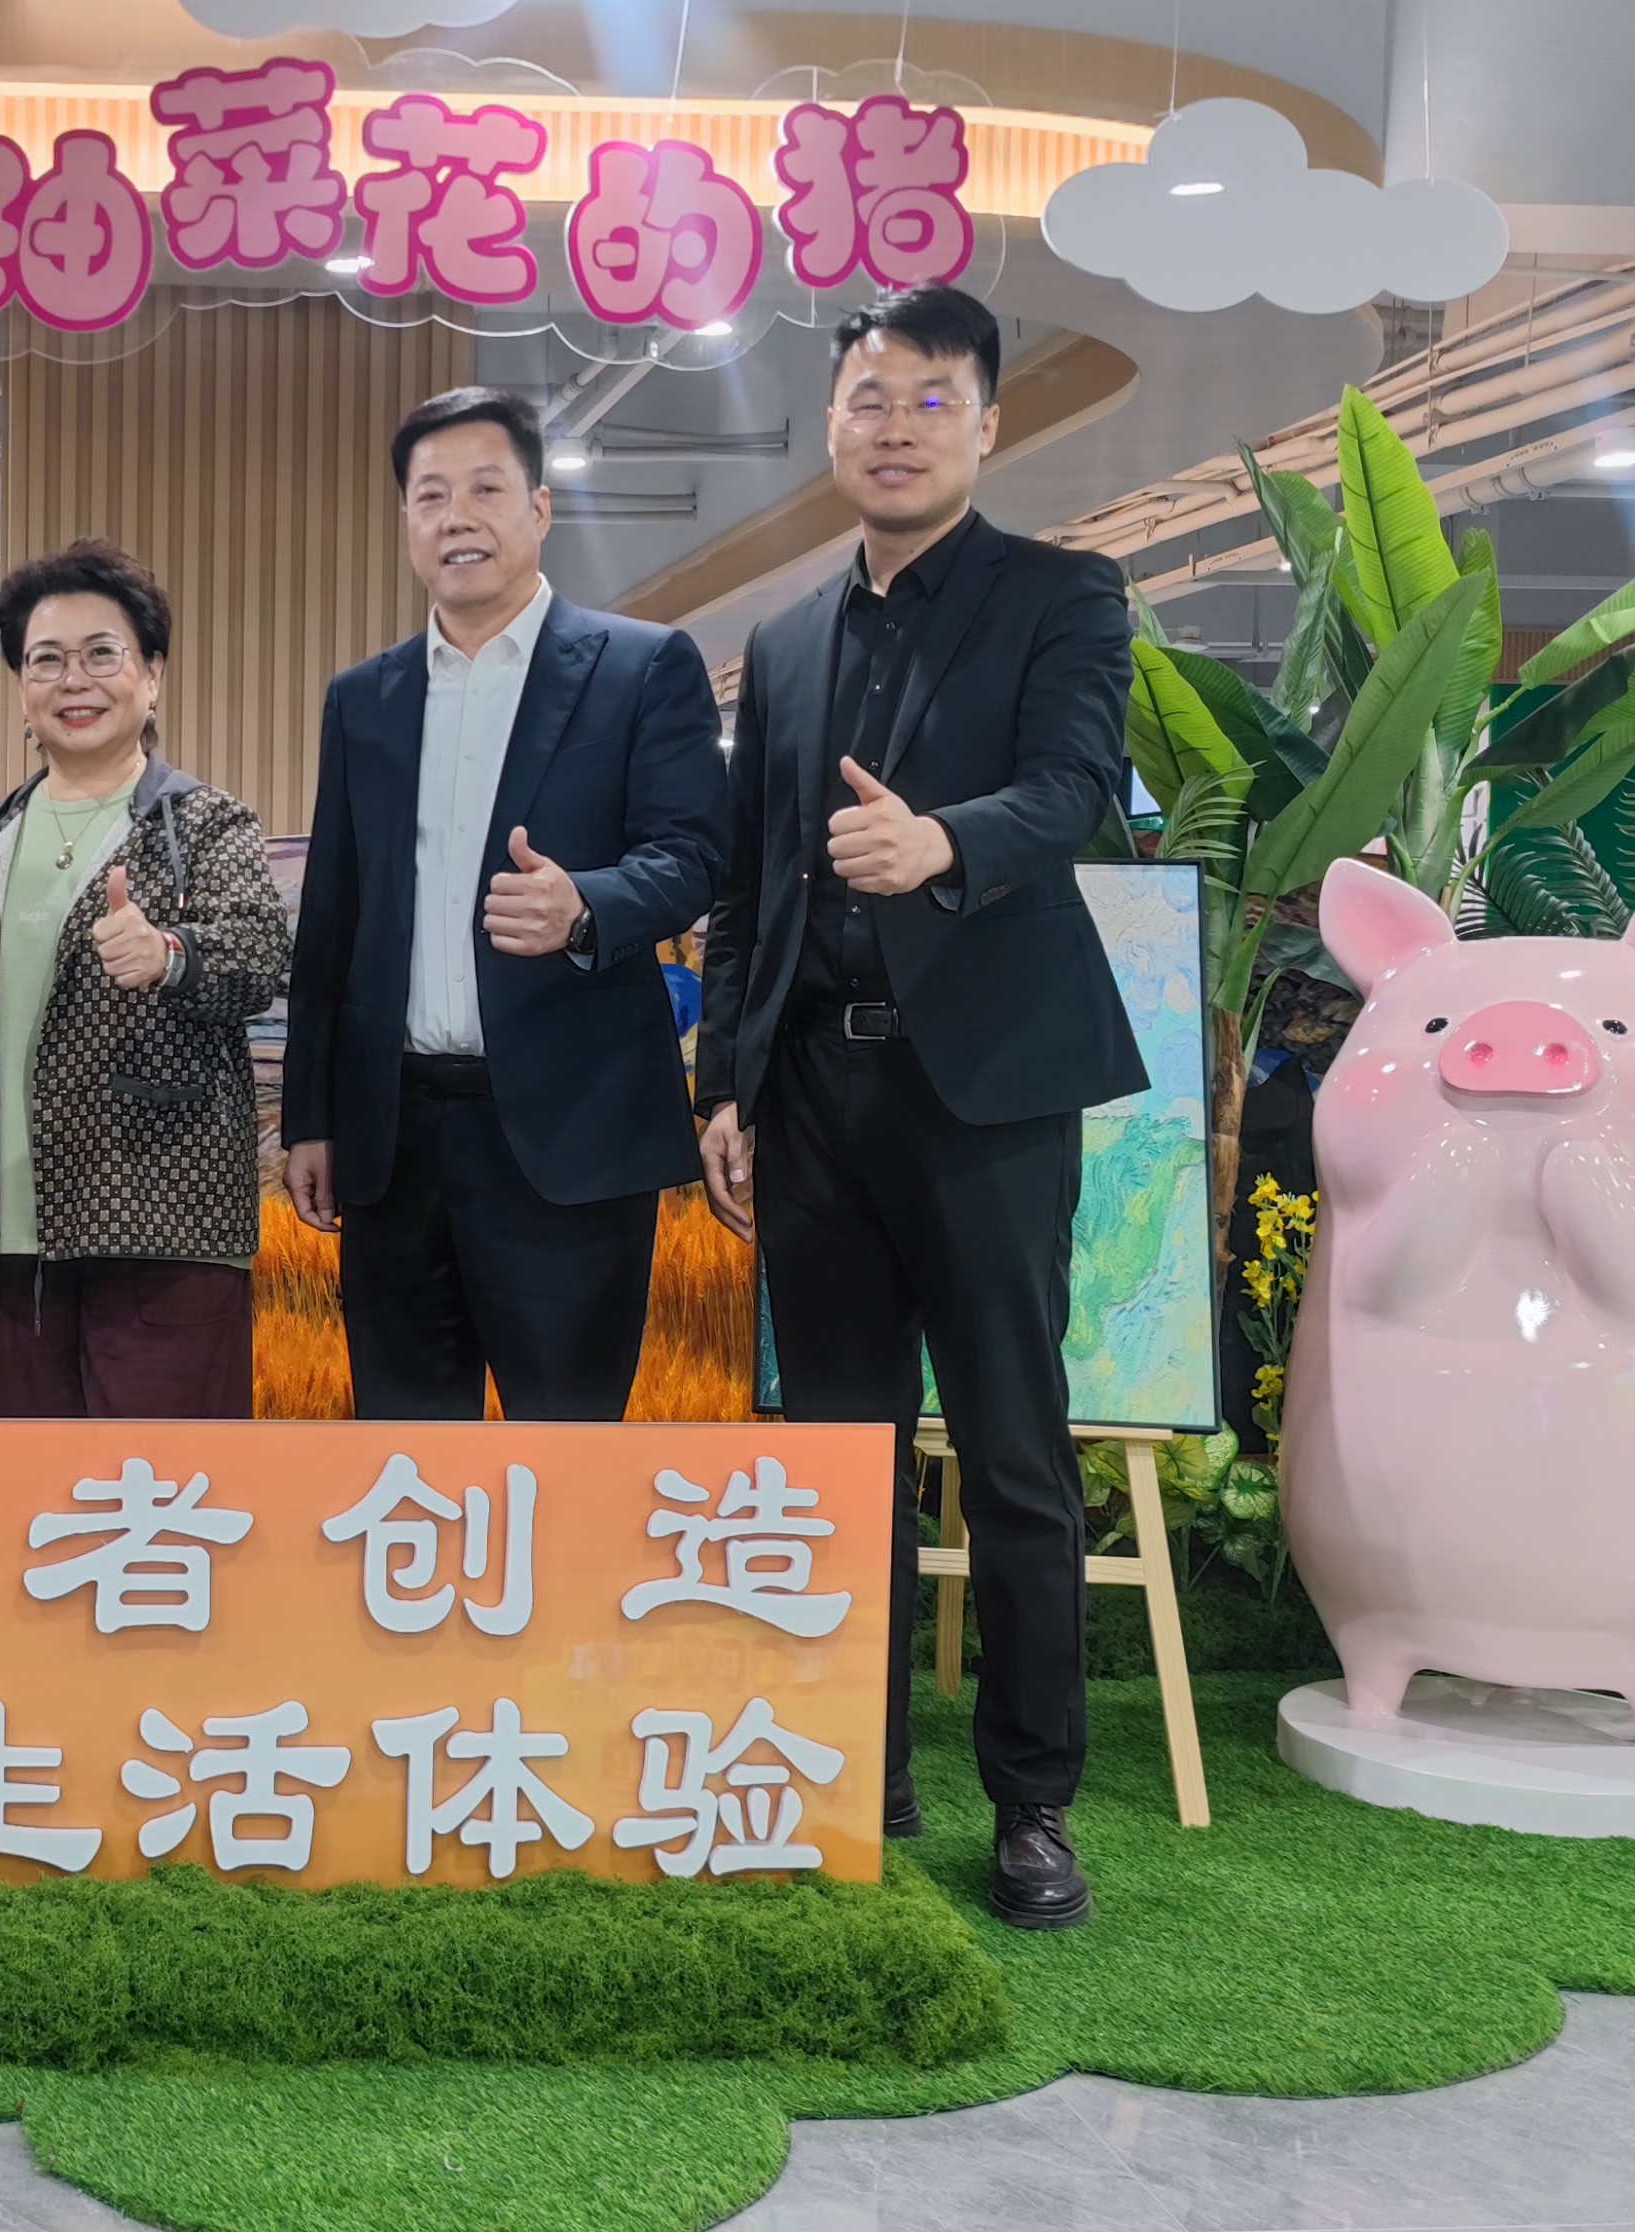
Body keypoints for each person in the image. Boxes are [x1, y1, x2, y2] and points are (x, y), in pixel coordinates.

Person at [693, 286, 1148, 1931]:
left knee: (1013, 1453)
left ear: (987, 425)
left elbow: (1076, 789)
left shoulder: (1061, 596)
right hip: (812, 1097)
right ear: (830, 428)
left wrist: (941, 841)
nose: (895, 426)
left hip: (987, 1095)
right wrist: (724, 1081)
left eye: (929, 399)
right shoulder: (786, 643)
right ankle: (850, 1772)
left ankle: (1031, 1805)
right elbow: (750, 880)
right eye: (868, 400)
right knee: (838, 1458)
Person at [280, 386, 726, 1421]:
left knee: (564, 1455)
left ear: (539, 509)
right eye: (430, 496)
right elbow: (334, 920)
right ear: (406, 521)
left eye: (486, 489)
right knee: (405, 1460)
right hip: (395, 1142)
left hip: (568, 1136)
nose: (457, 517)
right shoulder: (364, 699)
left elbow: (697, 855)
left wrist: (587, 906)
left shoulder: (639, 666)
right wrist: (312, 1117)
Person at [0, 539, 288, 1417]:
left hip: (165, 1226)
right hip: (15, 1240)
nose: (74, 680)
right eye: (46, 660)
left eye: (101, 654)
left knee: (167, 1484)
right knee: (39, 1490)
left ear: (152, 675)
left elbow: (260, 955)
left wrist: (171, 956)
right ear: (21, 688)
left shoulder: (205, 824)